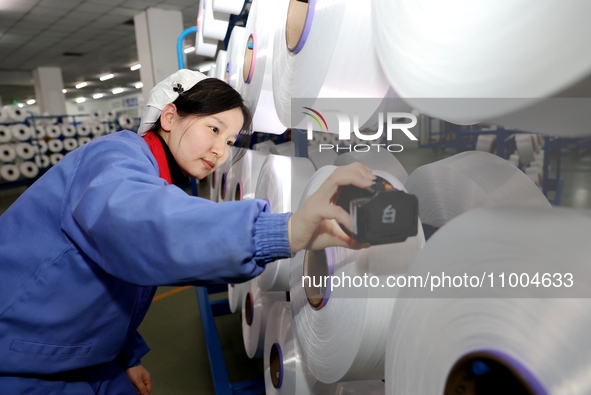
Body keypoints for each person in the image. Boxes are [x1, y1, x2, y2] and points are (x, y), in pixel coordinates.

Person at [0, 70, 375, 394]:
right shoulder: (113, 158)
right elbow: (144, 226)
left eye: (229, 141)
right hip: (20, 359)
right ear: (169, 116)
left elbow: (113, 279)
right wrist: (285, 230)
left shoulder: (155, 178)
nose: (220, 152)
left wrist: (125, 355)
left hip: (80, 353)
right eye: (213, 129)